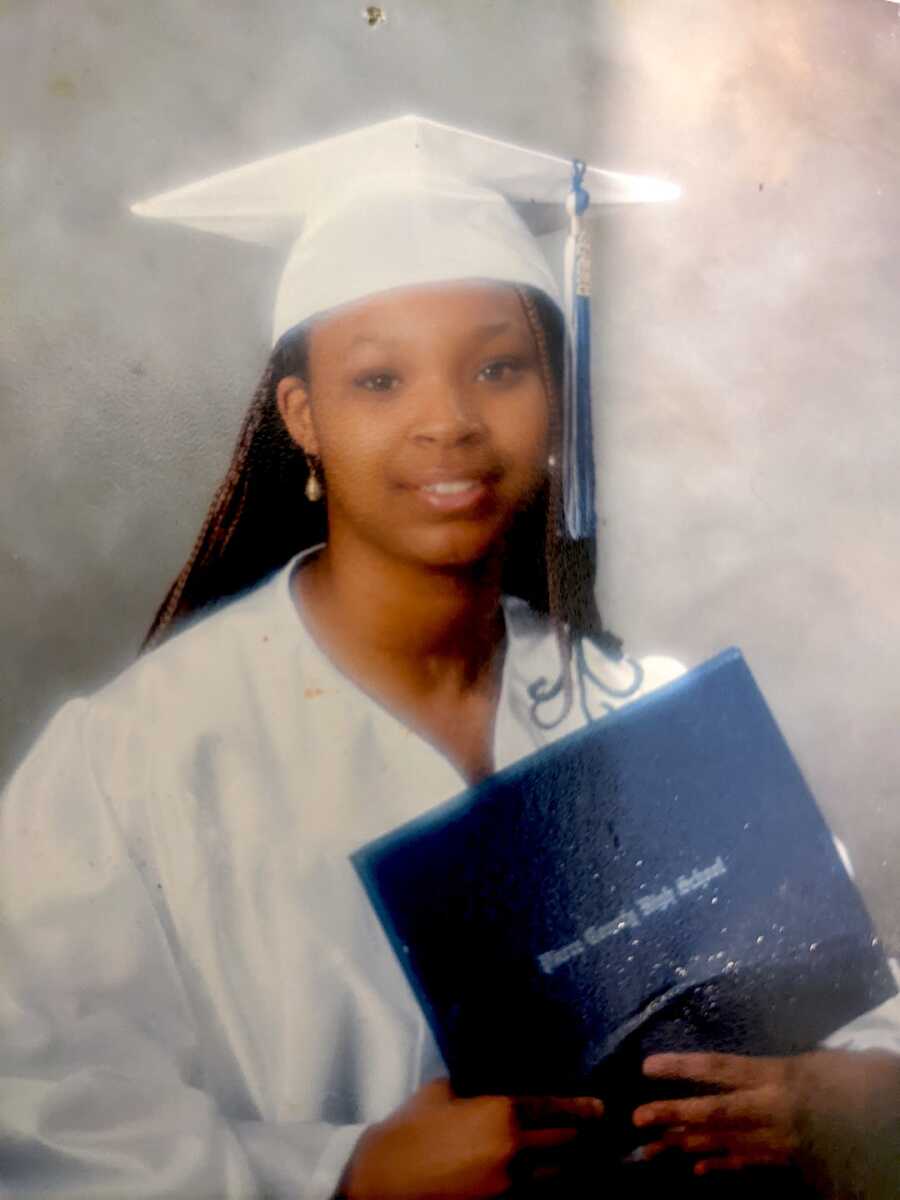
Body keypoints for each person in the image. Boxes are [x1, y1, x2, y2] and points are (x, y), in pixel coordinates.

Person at [1, 116, 898, 1200]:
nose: (451, 424)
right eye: (381, 382)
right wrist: (349, 1174)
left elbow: (850, 986)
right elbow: (35, 1110)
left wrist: (848, 1098)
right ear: (304, 418)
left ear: (555, 403)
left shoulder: (648, 717)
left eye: (499, 368)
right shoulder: (136, 761)